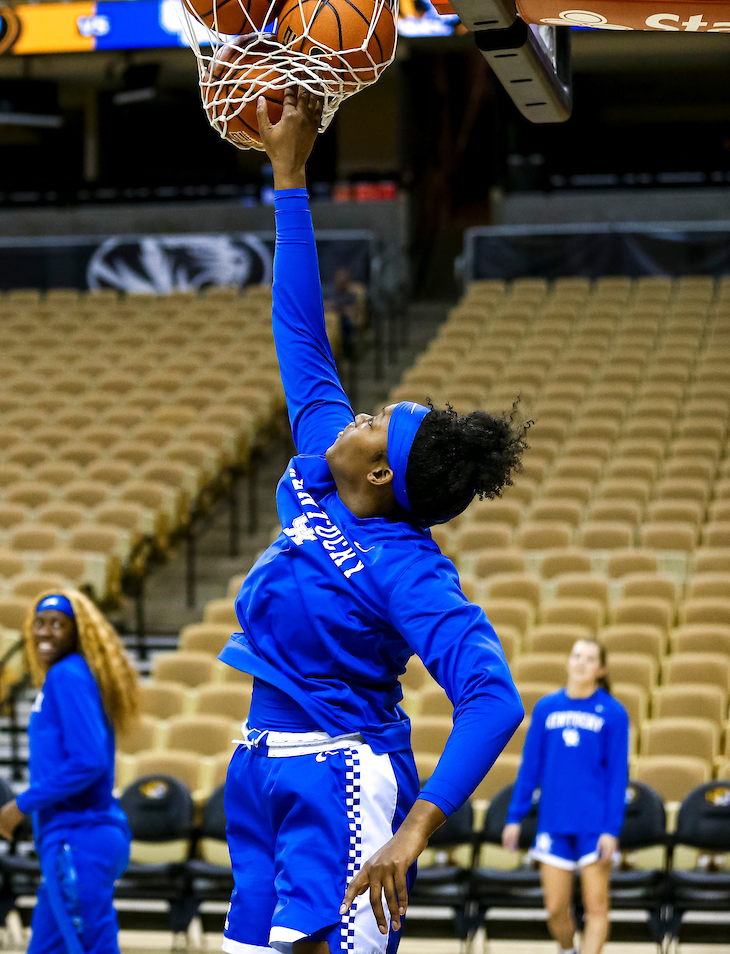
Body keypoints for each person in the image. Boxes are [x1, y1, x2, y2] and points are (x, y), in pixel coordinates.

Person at [218, 86, 526, 954]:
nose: (350, 416)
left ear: (383, 471)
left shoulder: (411, 569)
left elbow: (493, 700)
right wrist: (289, 179)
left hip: (344, 773)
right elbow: (301, 334)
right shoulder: (324, 463)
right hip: (261, 758)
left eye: (368, 423)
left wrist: (414, 831)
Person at [0, 590, 139, 954]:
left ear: (78, 632)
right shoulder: (66, 676)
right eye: (39, 624)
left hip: (81, 837)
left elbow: (89, 761)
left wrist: (21, 804)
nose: (45, 632)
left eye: (58, 625)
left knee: (92, 948)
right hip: (70, 838)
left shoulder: (68, 674)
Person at [502, 638, 629, 954]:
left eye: (589, 659)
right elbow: (530, 767)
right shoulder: (547, 707)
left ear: (601, 669)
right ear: (568, 661)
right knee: (556, 909)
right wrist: (514, 817)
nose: (581, 663)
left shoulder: (614, 713)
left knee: (596, 908)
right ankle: (568, 949)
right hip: (553, 822)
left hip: (594, 826)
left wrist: (611, 830)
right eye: (576, 656)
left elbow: (617, 778)